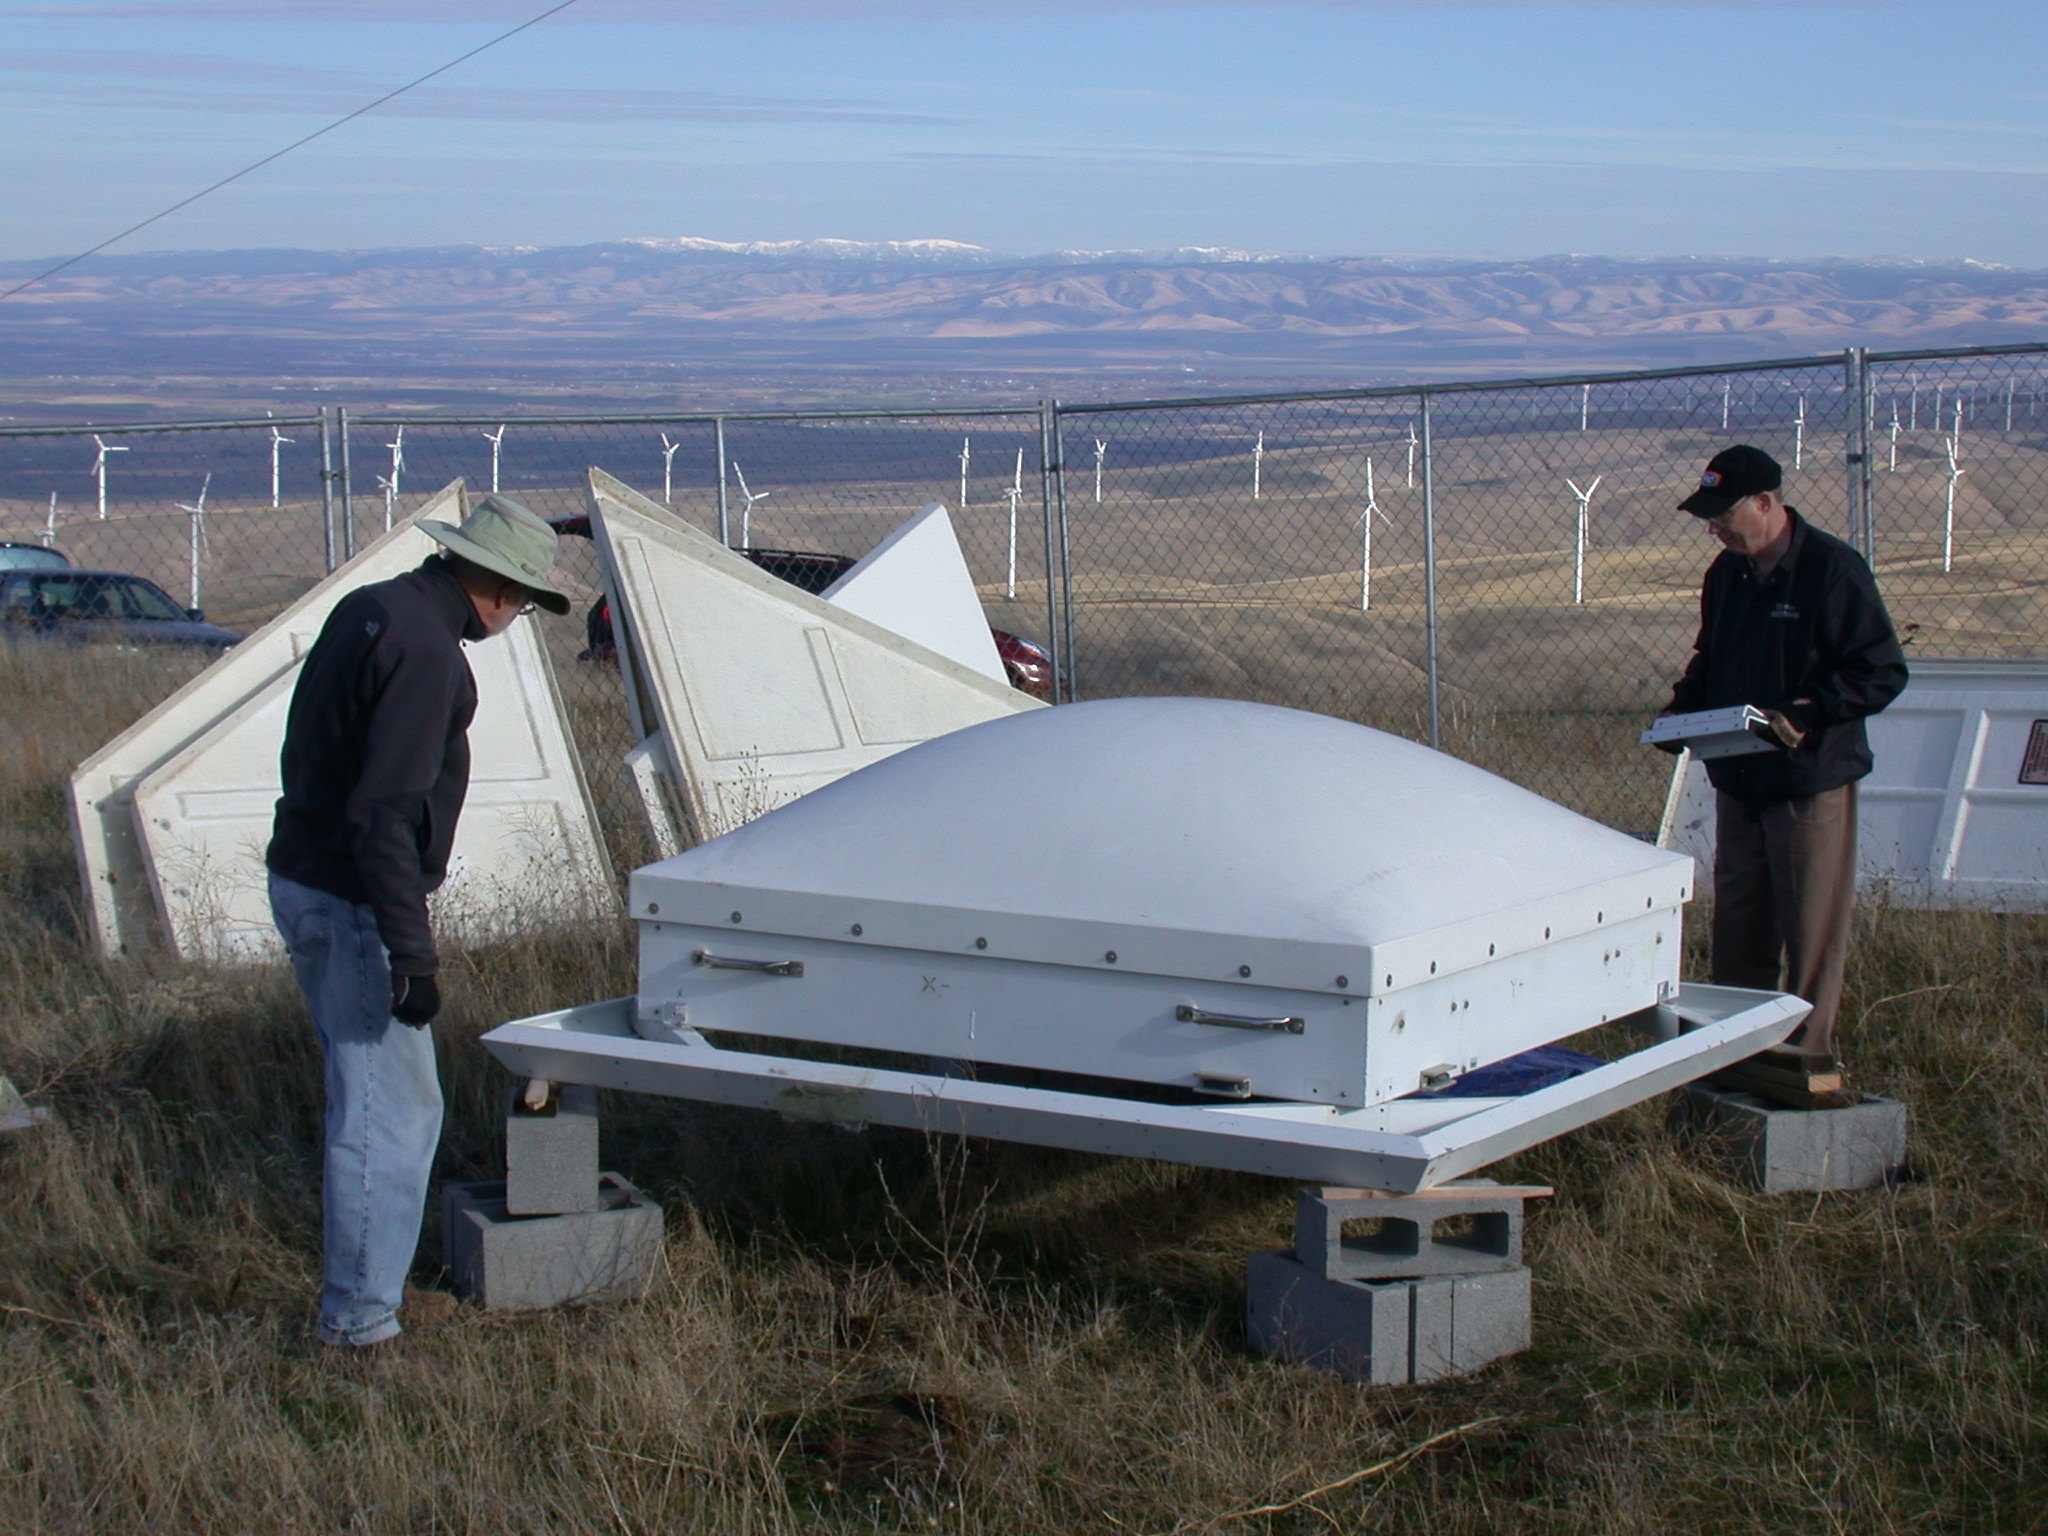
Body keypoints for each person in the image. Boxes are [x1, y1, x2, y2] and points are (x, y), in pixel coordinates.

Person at [267, 493, 572, 1350]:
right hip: (353, 899)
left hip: (304, 872)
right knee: (389, 1119)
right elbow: (385, 812)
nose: (515, 616)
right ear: (503, 590)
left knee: (366, 1101)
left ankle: (368, 1291)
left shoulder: (372, 609)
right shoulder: (429, 654)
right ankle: (360, 1321)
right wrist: (411, 952)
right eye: (523, 601)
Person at [1656, 445, 1907, 1064]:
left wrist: (1807, 712)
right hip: (1739, 776)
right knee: (1740, 920)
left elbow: (1880, 671)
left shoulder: (1832, 570)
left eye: (1723, 515)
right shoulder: (1727, 574)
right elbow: (1711, 657)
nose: (1714, 529)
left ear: (1766, 502)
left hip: (1806, 779)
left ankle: (1802, 1060)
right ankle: (1738, 1052)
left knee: (1810, 925)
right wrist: (1680, 712)